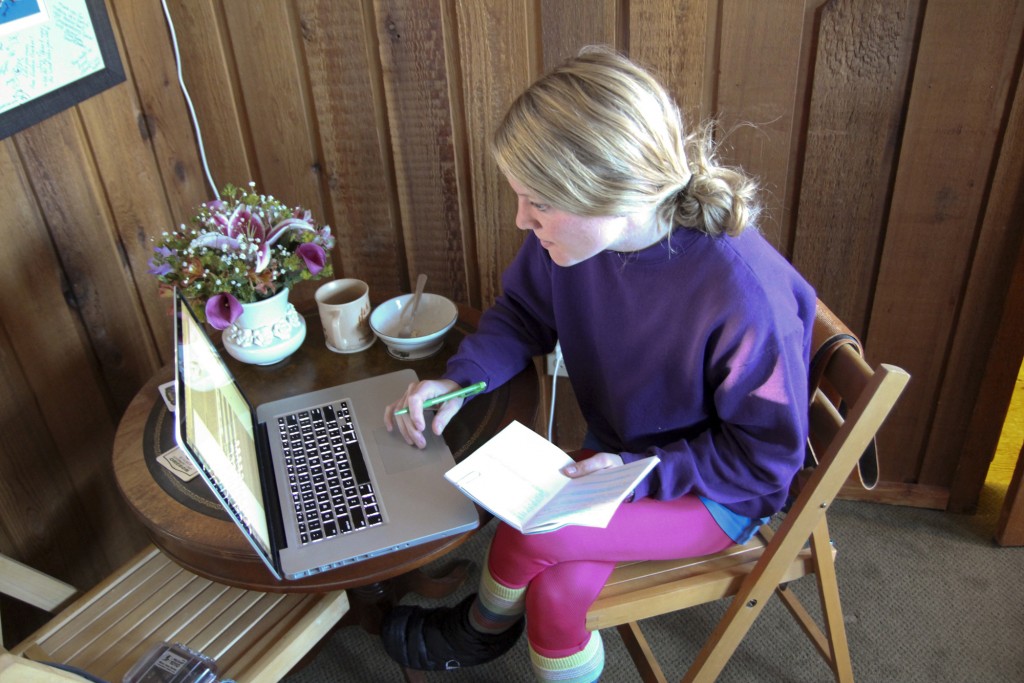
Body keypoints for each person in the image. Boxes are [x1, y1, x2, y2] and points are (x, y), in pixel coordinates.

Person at [380, 46, 816, 682]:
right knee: (553, 594)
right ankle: (482, 632)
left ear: (614, 191)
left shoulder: (744, 298)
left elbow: (764, 459)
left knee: (531, 533)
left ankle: (475, 629)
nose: (521, 219)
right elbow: (521, 314)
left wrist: (639, 473)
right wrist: (460, 379)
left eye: (538, 202)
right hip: (620, 461)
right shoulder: (571, 246)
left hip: (715, 492)